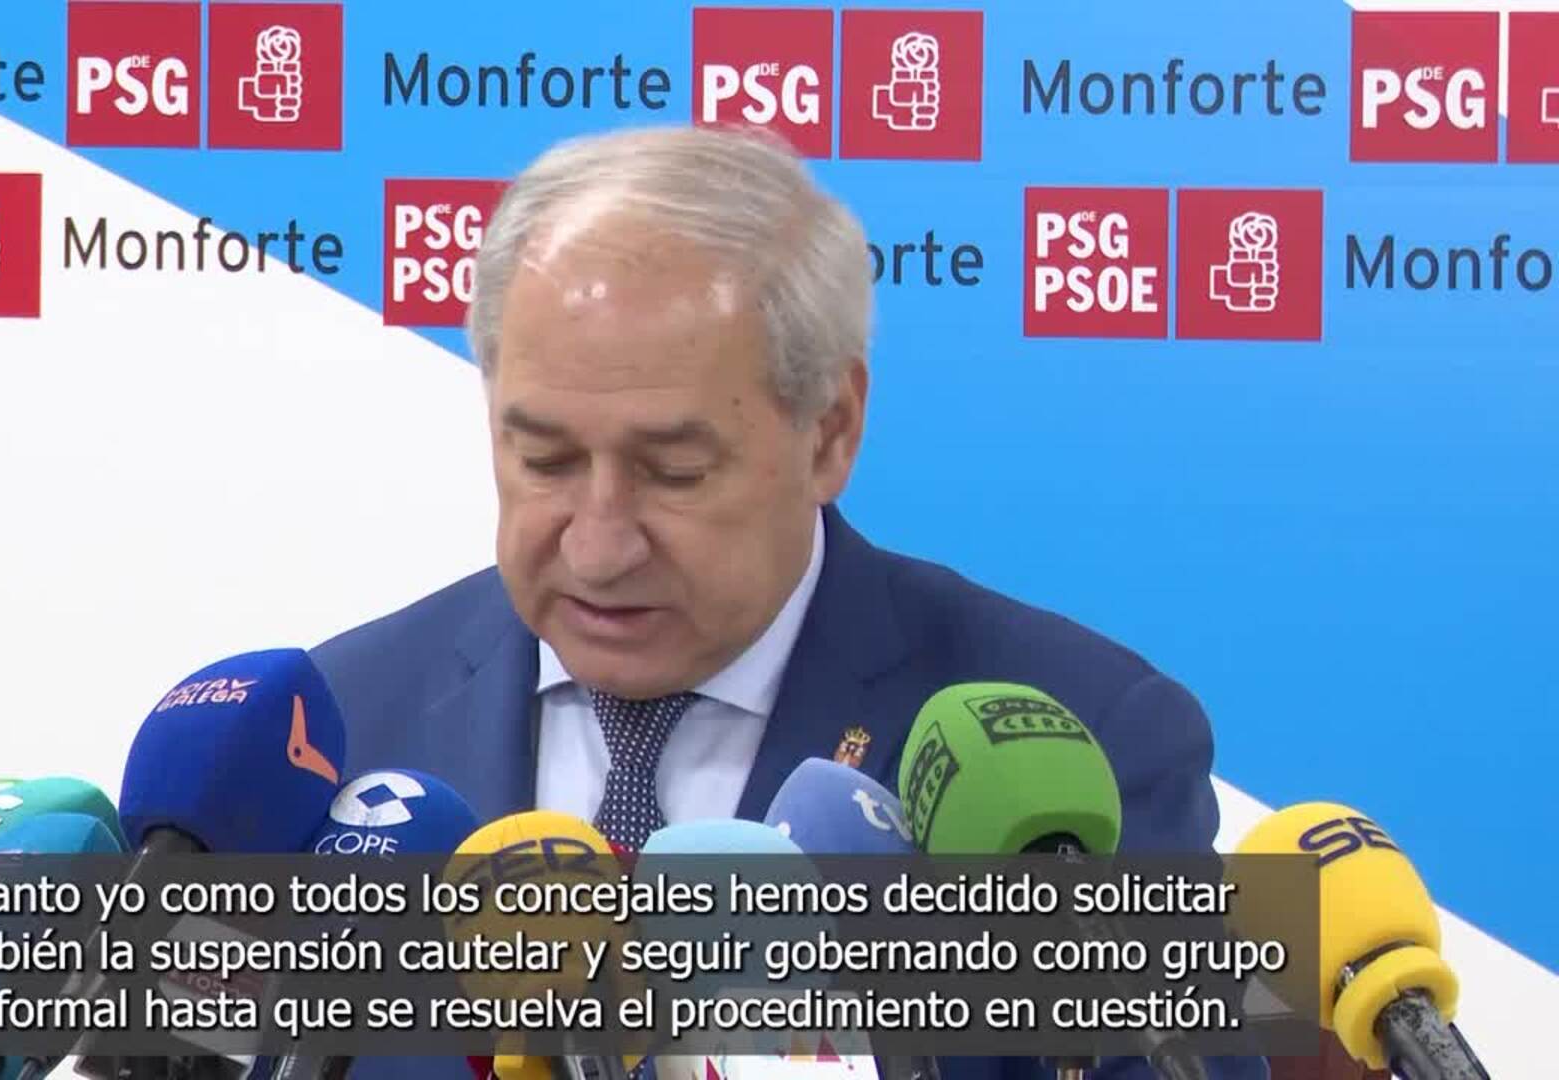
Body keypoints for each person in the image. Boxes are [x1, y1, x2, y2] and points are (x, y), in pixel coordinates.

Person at [312, 125, 1262, 1080]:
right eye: (546, 460)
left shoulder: (1084, 756)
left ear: (830, 433)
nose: (598, 547)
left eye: (674, 472)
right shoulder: (326, 737)